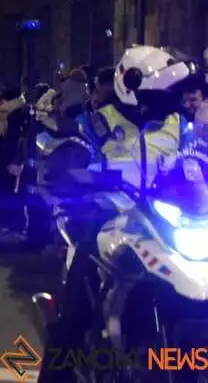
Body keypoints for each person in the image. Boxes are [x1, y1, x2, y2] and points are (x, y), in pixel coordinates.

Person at [38, 45, 201, 383]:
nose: (170, 99)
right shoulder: (96, 123)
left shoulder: (178, 125)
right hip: (105, 222)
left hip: (162, 223)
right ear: (132, 87)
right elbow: (63, 152)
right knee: (74, 317)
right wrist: (73, 172)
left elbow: (198, 159)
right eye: (161, 92)